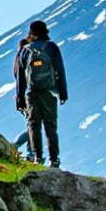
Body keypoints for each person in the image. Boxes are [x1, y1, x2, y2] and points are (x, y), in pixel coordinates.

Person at [15, 19, 66, 168]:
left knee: (33, 125)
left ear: (32, 33)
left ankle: (37, 156)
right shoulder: (52, 47)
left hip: (31, 93)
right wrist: (62, 93)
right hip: (49, 92)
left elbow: (20, 77)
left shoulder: (26, 50)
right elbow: (60, 71)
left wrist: (20, 98)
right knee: (51, 126)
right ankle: (54, 159)